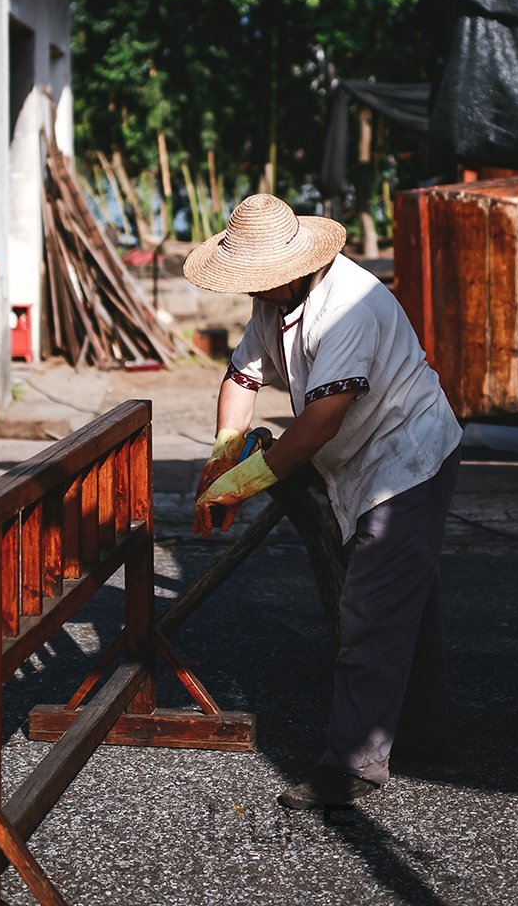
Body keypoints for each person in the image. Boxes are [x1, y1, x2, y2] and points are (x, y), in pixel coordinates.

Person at [184, 194, 463, 809]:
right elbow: (241, 377)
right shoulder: (277, 300)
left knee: (371, 610)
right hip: (361, 458)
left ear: (294, 265)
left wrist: (239, 483)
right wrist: (223, 451)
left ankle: (352, 766)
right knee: (407, 601)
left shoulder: (348, 308)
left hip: (406, 459)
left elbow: (318, 426)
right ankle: (424, 731)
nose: (256, 292)